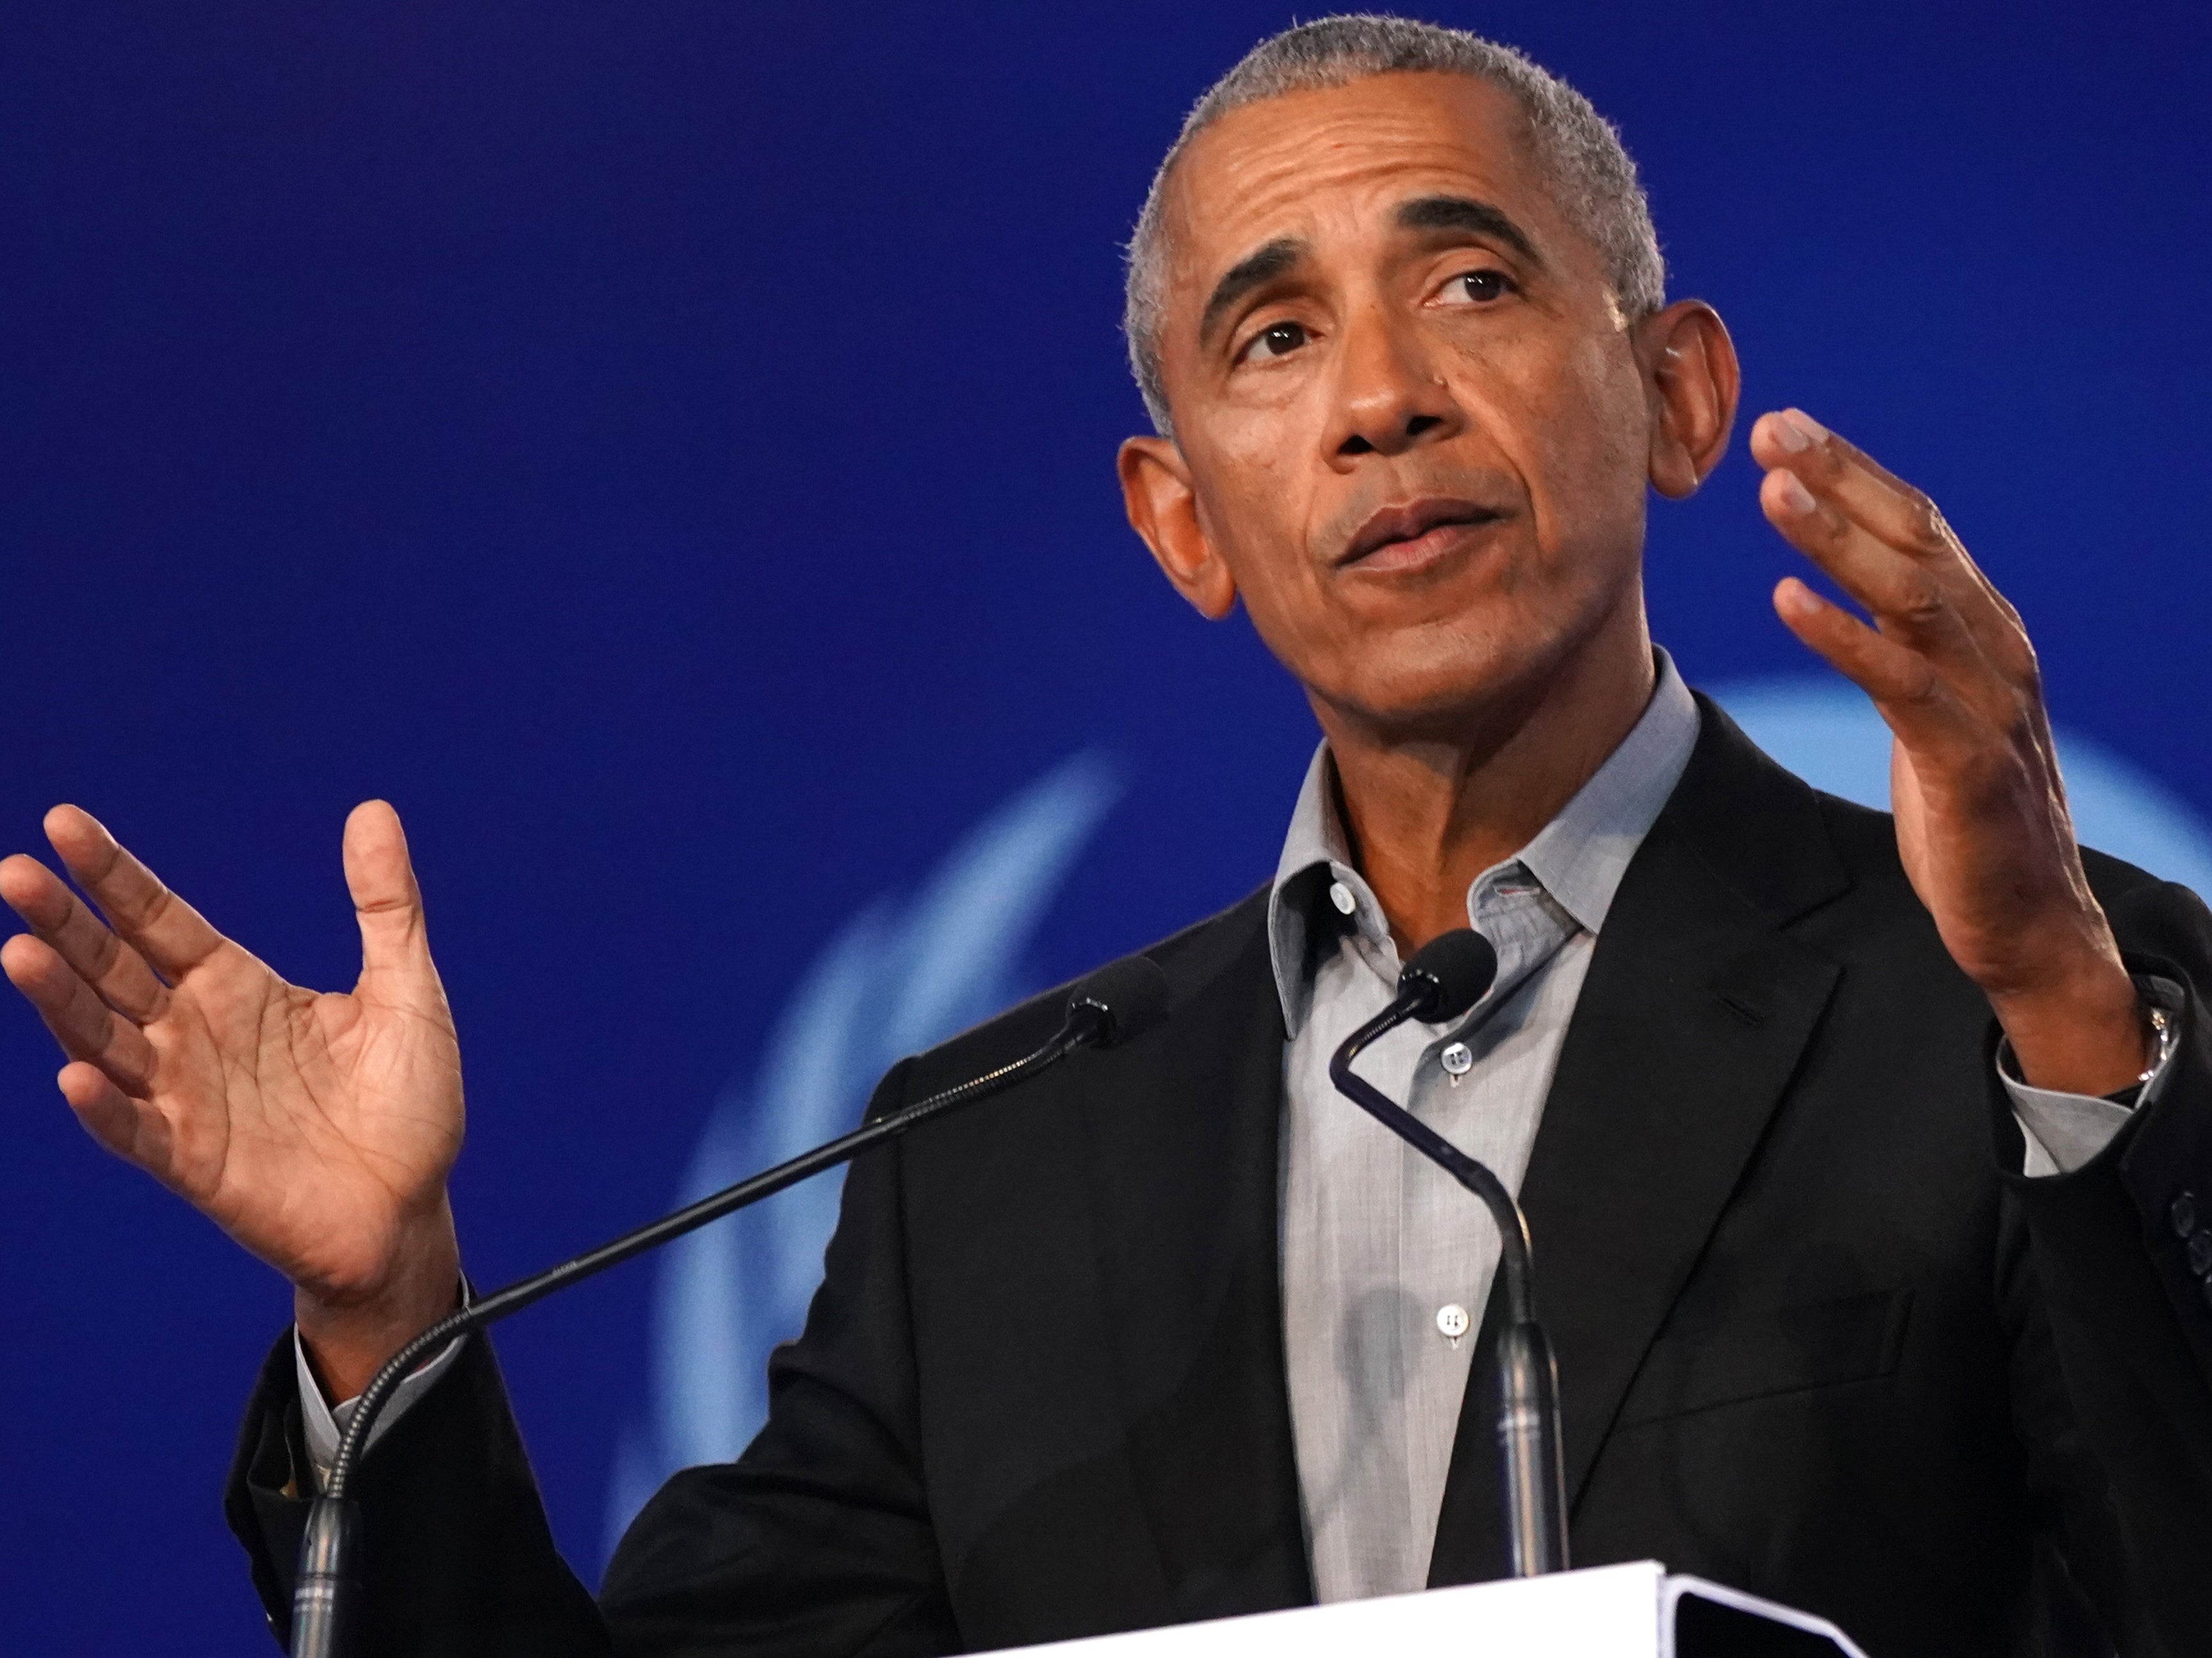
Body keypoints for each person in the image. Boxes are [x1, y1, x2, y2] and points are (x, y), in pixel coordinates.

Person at [6, 16, 2211, 1656]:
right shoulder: (989, 1163)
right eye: (1273, 336)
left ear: (1680, 395)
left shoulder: (2048, 1011)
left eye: (1470, 287)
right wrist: (387, 1312)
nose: (1379, 400)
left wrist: (2047, 1001)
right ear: (1185, 527)